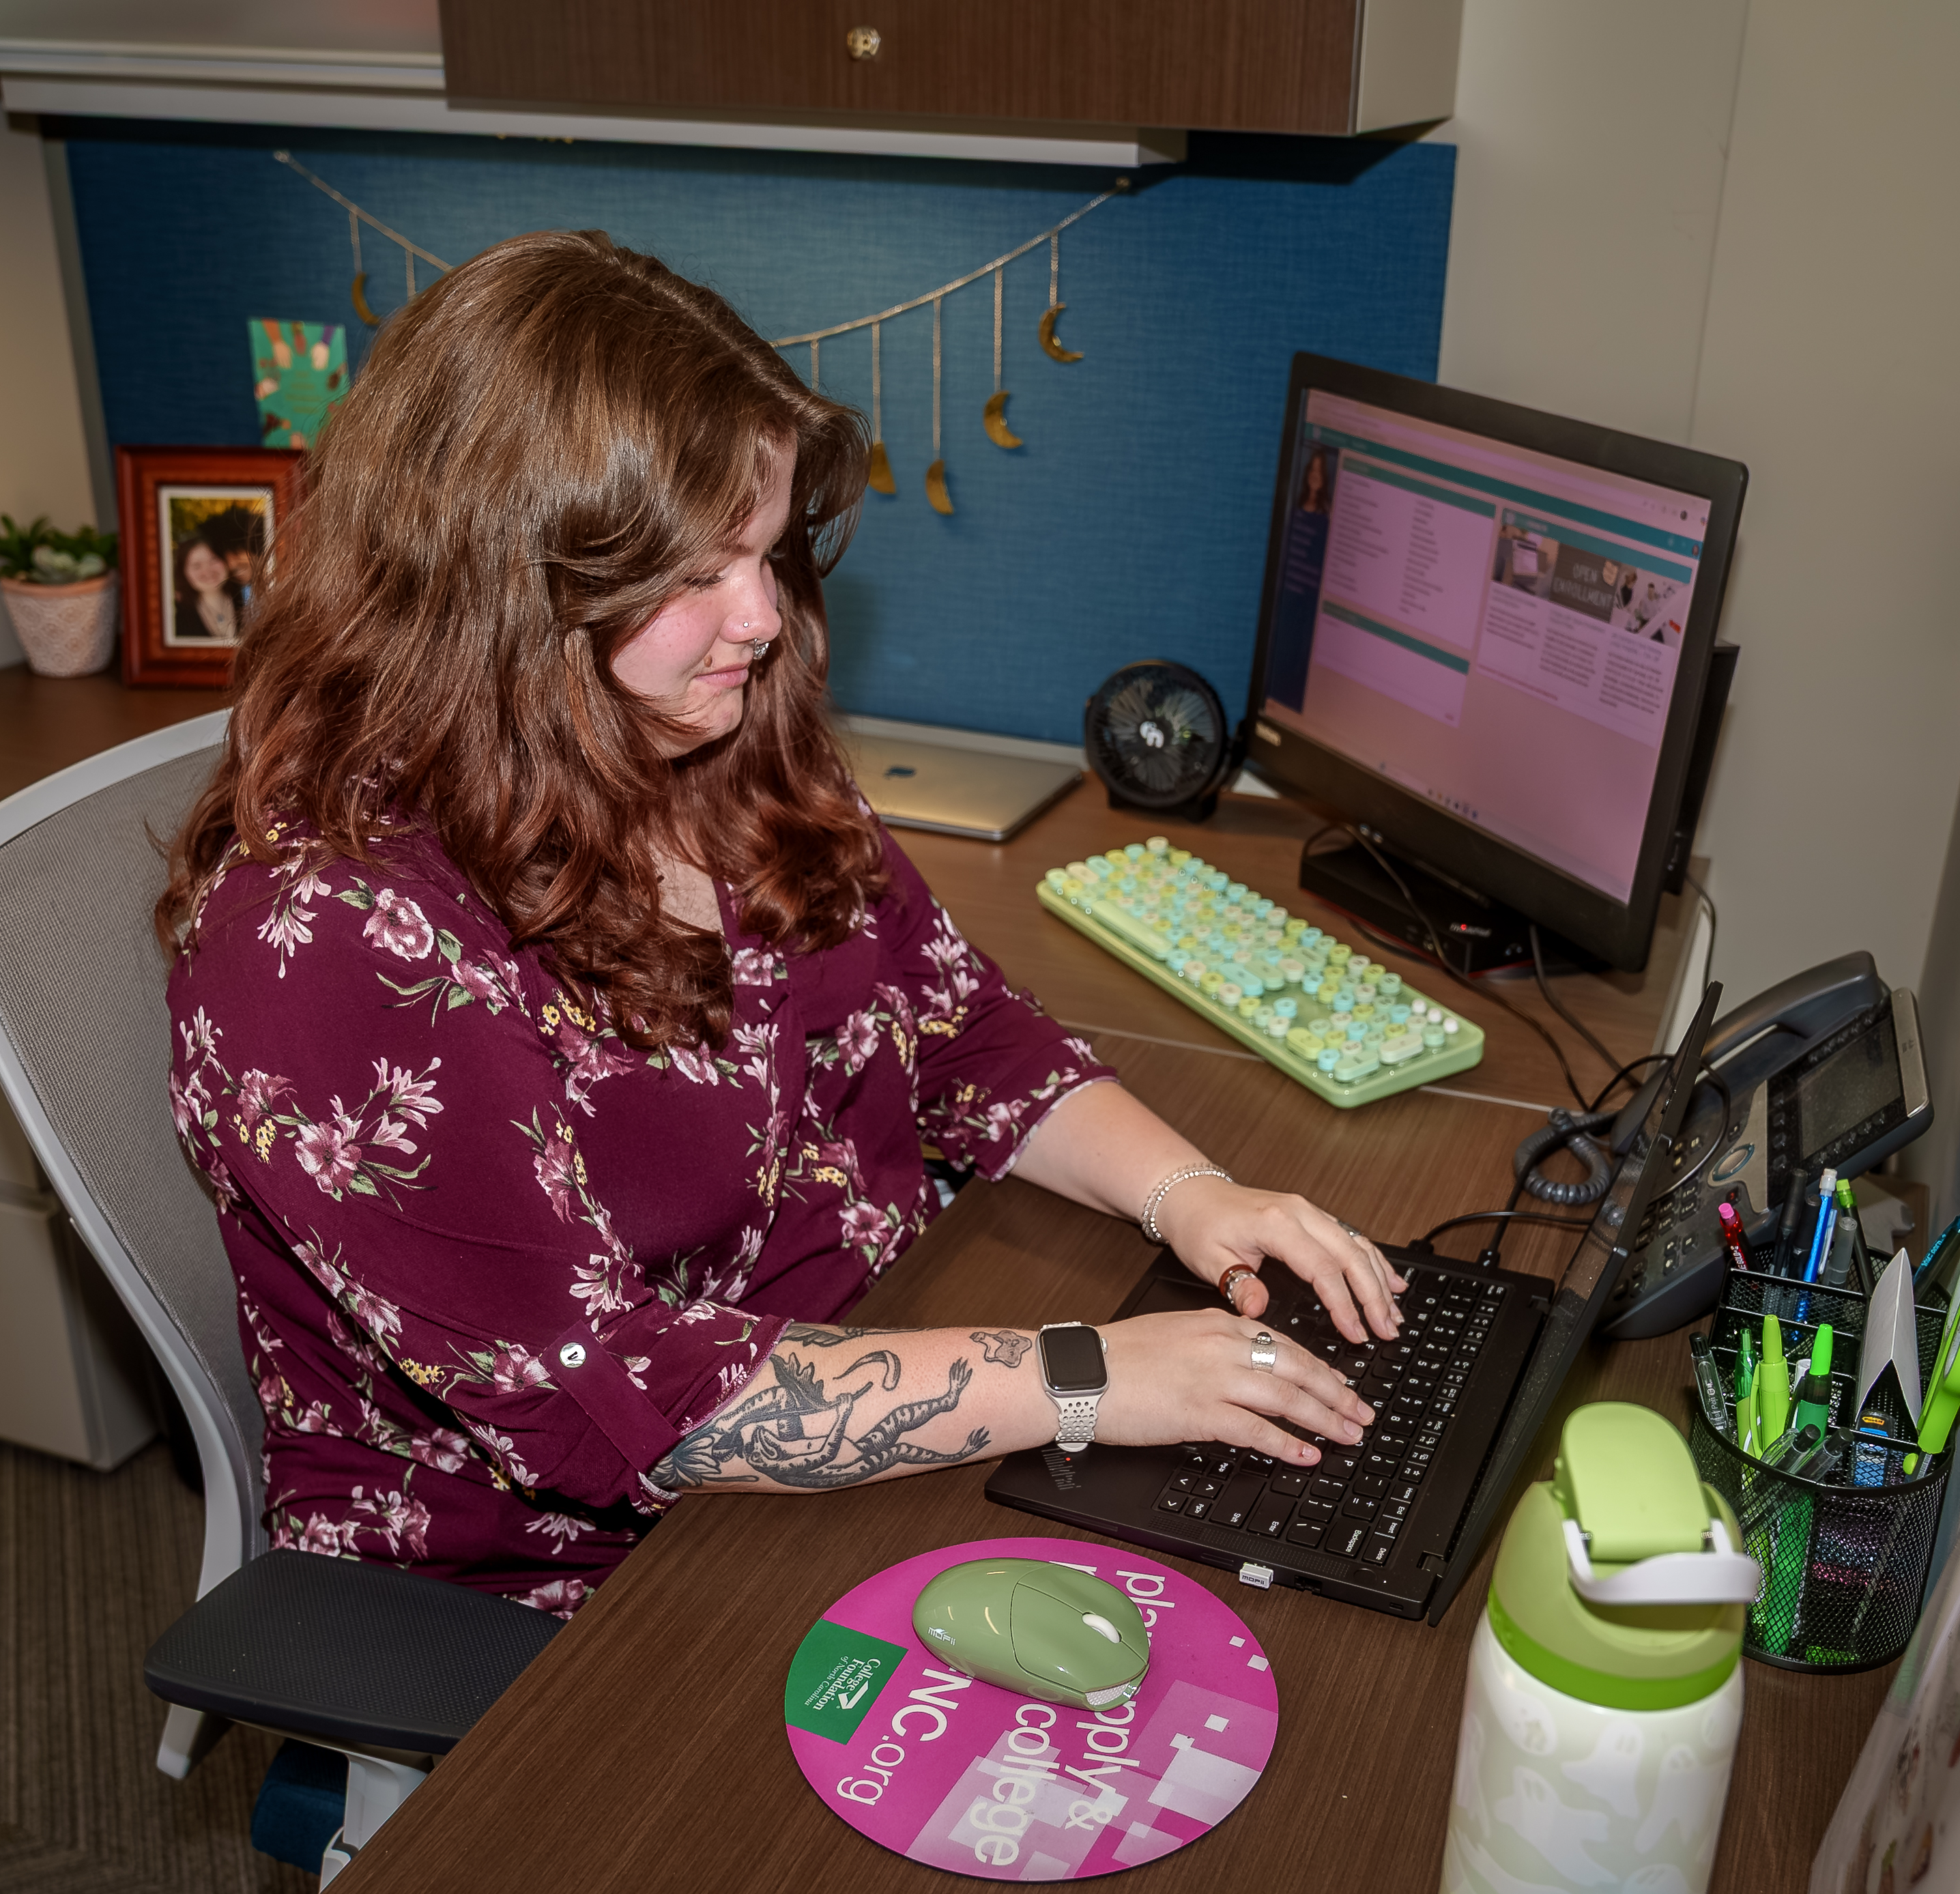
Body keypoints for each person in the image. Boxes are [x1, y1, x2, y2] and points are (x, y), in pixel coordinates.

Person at [157, 230, 1398, 1617]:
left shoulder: (700, 738)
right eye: (697, 572)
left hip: (878, 1371)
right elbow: (612, 1403)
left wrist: (1192, 1197)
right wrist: (1081, 1380)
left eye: (766, 546)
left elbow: (954, 1027)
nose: (760, 613)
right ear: (509, 590)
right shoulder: (331, 940)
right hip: (588, 1562)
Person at [170, 534, 242, 640]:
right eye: (197, 566)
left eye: (213, 559)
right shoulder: (175, 616)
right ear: (183, 573)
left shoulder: (248, 600)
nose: (208, 570)